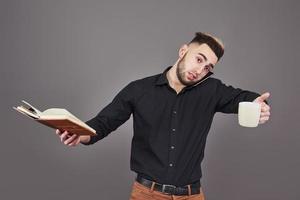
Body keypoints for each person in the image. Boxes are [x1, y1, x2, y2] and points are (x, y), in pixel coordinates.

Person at [56, 32, 271, 200]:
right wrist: (80, 134)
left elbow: (247, 98)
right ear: (183, 51)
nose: (200, 69)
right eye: (199, 59)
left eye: (208, 67)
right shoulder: (138, 90)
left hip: (192, 195)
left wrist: (260, 106)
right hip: (146, 194)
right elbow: (103, 123)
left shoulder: (212, 90)